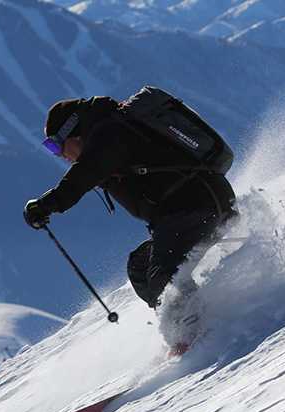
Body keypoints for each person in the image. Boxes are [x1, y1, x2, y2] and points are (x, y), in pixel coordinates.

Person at [23, 94, 237, 351]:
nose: (58, 155)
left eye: (55, 146)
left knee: (165, 276)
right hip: (190, 208)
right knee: (141, 269)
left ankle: (197, 333)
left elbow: (84, 174)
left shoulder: (110, 134)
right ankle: (186, 329)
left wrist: (46, 204)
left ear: (74, 133)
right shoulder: (109, 133)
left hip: (195, 205)